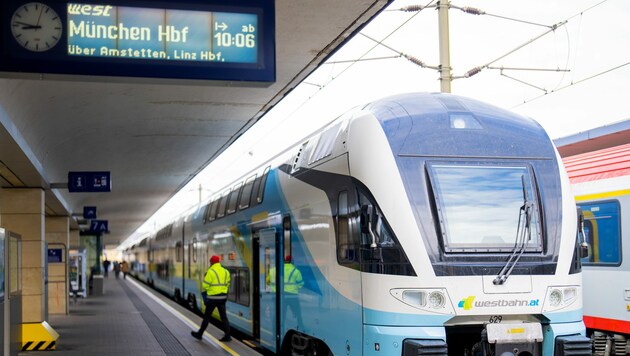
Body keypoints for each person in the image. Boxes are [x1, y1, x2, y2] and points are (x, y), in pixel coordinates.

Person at [191, 255, 231, 342]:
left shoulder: (210, 271)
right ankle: (228, 336)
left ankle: (199, 334)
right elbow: (228, 284)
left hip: (212, 298)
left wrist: (210, 290)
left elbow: (205, 286)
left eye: (210, 262)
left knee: (207, 317)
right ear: (219, 262)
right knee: (224, 317)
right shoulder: (226, 271)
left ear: (212, 262)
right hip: (222, 298)